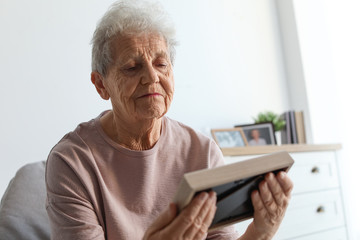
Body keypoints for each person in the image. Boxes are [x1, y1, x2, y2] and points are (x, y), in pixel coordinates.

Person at [45, 1, 293, 239]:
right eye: (132, 67)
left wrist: (261, 232)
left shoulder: (203, 152)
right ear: (101, 85)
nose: (152, 77)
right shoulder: (71, 162)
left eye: (161, 63)